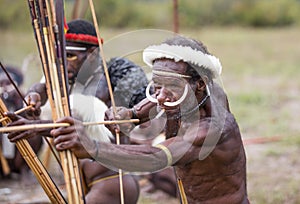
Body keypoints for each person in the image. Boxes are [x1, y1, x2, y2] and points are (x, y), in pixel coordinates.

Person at [46, 35, 249, 203]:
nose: (160, 96)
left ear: (200, 84)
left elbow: (155, 157)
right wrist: (130, 114)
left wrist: (92, 147)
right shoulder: (184, 92)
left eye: (170, 86)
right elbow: (155, 98)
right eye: (157, 86)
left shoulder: (211, 129)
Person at [13, 19, 146, 203]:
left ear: (91, 54)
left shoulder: (109, 83)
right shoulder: (65, 78)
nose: (64, 63)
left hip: (112, 184)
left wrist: (35, 127)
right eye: (60, 56)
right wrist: (33, 95)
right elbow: (42, 88)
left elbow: (76, 126)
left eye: (70, 56)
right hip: (84, 182)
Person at [0, 65, 43, 185]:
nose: (4, 88)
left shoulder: (24, 100)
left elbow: (34, 119)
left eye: (8, 83)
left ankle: (24, 170)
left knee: (33, 130)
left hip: (19, 156)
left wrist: (22, 106)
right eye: (1, 84)